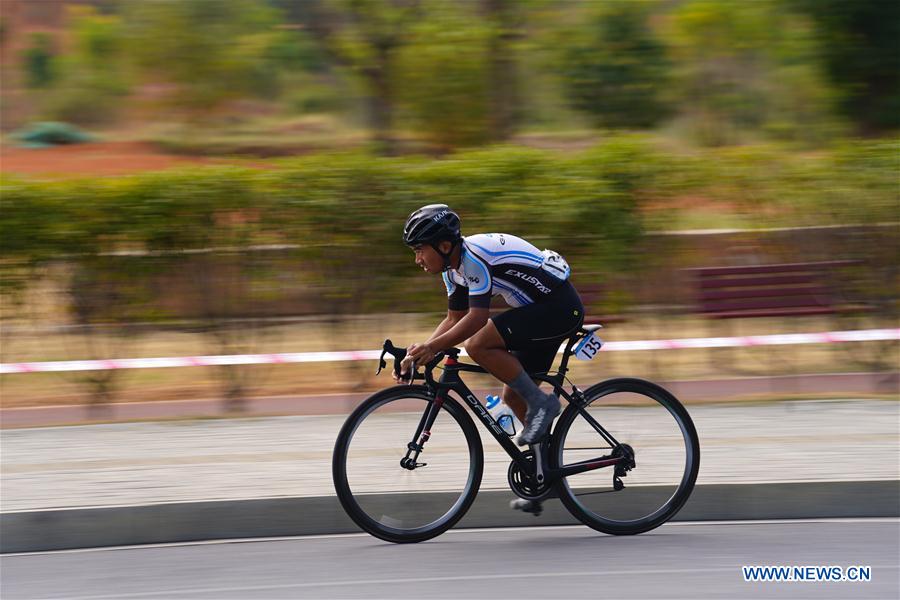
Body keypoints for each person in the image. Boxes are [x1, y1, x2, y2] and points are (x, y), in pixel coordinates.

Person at [396, 204, 585, 450]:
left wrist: (432, 347)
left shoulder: (474, 258)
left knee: (477, 344)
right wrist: (420, 353)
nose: (417, 259)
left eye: (420, 250)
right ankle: (546, 472)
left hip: (559, 309)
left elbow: (476, 319)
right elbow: (454, 319)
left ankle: (542, 403)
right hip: (540, 313)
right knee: (513, 395)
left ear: (443, 246)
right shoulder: (452, 270)